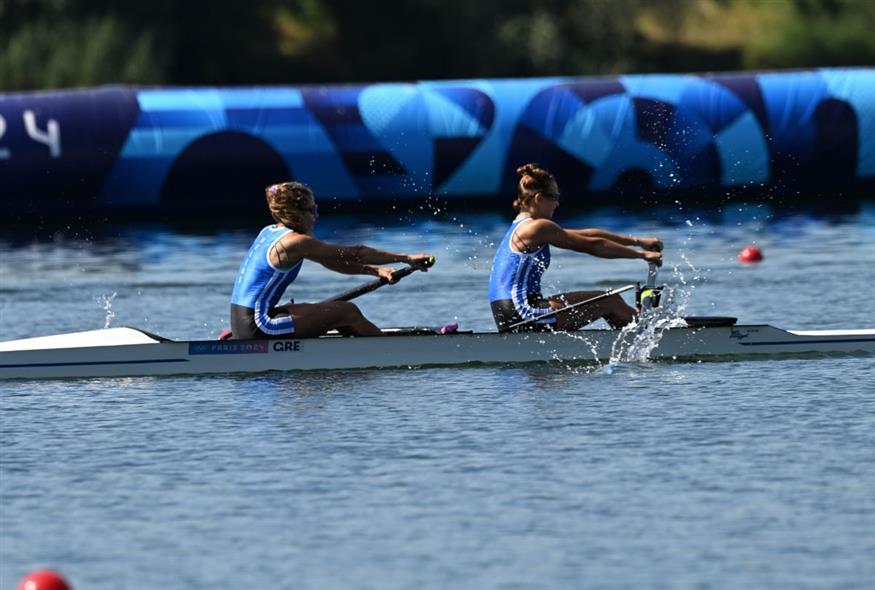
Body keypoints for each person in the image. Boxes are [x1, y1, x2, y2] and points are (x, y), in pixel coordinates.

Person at [230, 181, 433, 339]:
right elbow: (357, 252)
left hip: (241, 323)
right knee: (347, 311)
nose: (316, 215)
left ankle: (357, 347)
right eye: (312, 210)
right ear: (296, 215)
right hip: (259, 326)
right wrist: (406, 258)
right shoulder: (295, 242)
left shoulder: (269, 232)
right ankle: (394, 354)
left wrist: (376, 271)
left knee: (322, 309)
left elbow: (329, 261)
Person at [488, 163, 663, 333]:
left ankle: (640, 333)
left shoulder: (523, 227)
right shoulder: (537, 227)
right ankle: (652, 338)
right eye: (554, 197)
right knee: (611, 301)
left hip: (509, 313)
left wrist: (639, 241)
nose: (557, 204)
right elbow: (594, 246)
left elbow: (588, 235)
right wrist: (642, 255)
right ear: (539, 198)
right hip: (523, 313)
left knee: (609, 300)